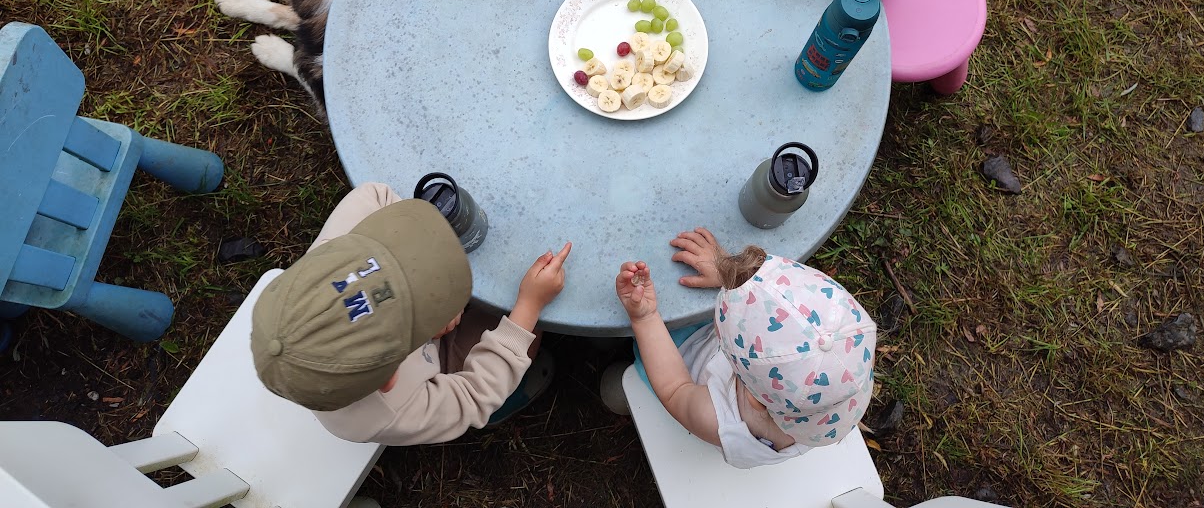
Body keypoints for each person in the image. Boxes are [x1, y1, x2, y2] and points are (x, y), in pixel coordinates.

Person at [251, 181, 572, 444]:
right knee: (523, 325)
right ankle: (507, 401)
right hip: (441, 367)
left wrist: (429, 309)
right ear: (389, 378)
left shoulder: (330, 261)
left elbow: (377, 195)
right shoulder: (388, 412)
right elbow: (474, 396)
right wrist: (529, 305)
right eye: (416, 318)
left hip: (425, 344)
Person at [614, 227, 876, 468]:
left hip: (680, 353)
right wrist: (724, 270)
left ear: (754, 399)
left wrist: (645, 318)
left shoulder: (720, 420)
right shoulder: (832, 400)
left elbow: (674, 389)